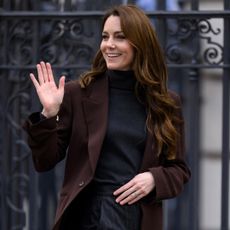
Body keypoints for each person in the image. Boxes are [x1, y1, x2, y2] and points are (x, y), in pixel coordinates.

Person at [23, 4, 191, 230]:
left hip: (136, 217)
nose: (109, 45)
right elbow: (44, 161)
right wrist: (49, 114)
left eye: (120, 37)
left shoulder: (166, 102)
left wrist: (154, 179)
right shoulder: (79, 93)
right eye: (105, 37)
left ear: (140, 44)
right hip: (86, 216)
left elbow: (179, 170)